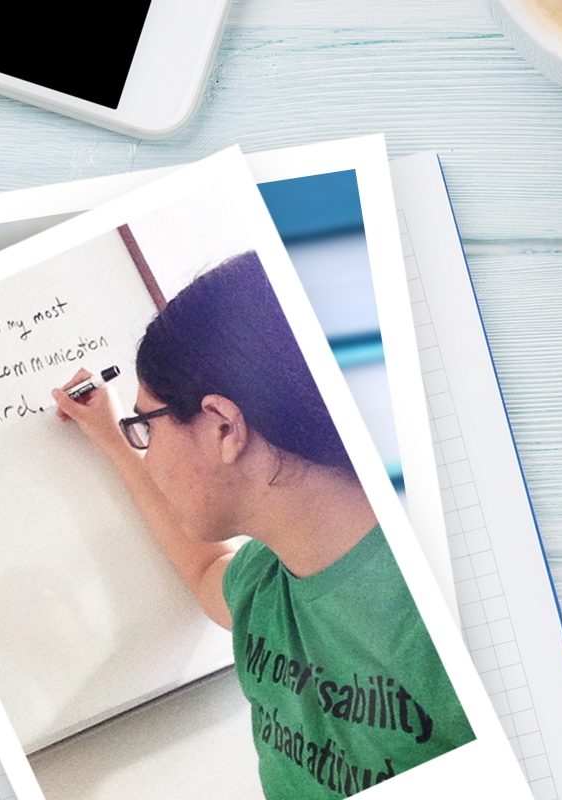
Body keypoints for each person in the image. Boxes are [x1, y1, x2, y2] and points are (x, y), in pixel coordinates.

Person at [51, 251, 474, 799]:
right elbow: (208, 571)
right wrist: (111, 436)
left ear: (225, 426)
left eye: (147, 429)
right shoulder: (267, 584)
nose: (147, 454)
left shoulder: (443, 612)